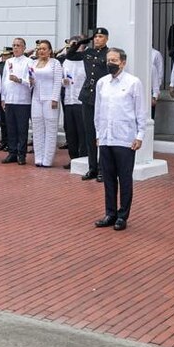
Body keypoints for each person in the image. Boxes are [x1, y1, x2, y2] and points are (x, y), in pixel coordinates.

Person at [93, 47, 146, 232]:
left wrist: (140, 135)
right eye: (109, 60)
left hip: (125, 138)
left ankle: (123, 216)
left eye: (114, 60)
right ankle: (110, 213)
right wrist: (98, 134)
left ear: (123, 62)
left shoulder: (133, 82)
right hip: (106, 138)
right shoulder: (102, 83)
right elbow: (98, 111)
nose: (110, 64)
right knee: (108, 178)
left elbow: (140, 111)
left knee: (124, 178)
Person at [65, 27, 111, 181]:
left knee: (102, 134)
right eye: (95, 37)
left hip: (102, 97)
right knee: (89, 133)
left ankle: (103, 169)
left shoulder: (109, 54)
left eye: (100, 36)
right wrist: (80, 42)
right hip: (87, 96)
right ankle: (92, 168)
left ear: (106, 39)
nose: (97, 39)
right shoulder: (88, 52)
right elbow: (70, 55)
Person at [29, 40, 63, 168]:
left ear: (49, 51)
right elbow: (31, 81)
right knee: (37, 127)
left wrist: (55, 99)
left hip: (50, 99)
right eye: (39, 49)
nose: (41, 51)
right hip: (36, 98)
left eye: (44, 49)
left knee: (50, 128)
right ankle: (38, 158)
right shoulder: (33, 63)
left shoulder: (55, 63)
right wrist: (30, 81)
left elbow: (57, 81)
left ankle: (48, 159)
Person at [1, 38, 33, 165]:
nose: (15, 48)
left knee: (22, 129)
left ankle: (21, 154)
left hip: (23, 100)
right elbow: (4, 80)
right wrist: (3, 98)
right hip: (10, 99)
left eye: (18, 45)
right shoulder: (8, 61)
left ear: (24, 48)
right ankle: (12, 152)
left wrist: (19, 80)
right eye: (14, 45)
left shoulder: (29, 62)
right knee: (11, 128)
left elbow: (31, 81)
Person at [61, 38, 87, 169]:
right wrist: (63, 82)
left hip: (80, 101)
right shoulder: (66, 60)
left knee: (82, 131)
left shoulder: (86, 60)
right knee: (70, 131)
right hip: (68, 100)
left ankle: (83, 158)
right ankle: (73, 158)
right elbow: (61, 77)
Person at [150, 47, 163, 121]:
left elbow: (159, 72)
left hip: (151, 89)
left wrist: (155, 94)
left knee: (151, 113)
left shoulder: (156, 54)